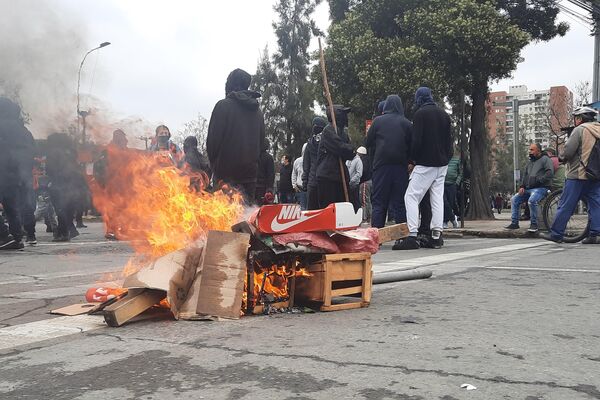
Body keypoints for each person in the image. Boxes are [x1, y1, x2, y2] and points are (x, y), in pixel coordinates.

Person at [396, 87, 453, 250]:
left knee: (411, 196)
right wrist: (446, 158)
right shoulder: (444, 115)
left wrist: (412, 160)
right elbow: (449, 141)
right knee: (437, 197)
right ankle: (436, 234)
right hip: (442, 164)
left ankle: (412, 235)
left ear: (419, 98)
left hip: (425, 163)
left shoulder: (420, 114)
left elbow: (417, 141)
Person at [540, 106, 600, 244]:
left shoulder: (580, 130)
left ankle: (556, 234)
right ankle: (595, 235)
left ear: (580, 118)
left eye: (576, 118)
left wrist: (561, 158)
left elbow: (568, 152)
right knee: (596, 204)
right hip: (596, 176)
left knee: (566, 204)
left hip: (578, 175)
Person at [207, 68, 265, 203]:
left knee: (223, 219)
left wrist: (215, 166)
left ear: (230, 84)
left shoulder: (223, 106)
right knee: (245, 218)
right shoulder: (258, 113)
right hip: (250, 176)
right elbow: (261, 144)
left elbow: (212, 143)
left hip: (225, 176)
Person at [365, 94, 412, 228]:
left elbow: (368, 142)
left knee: (379, 202)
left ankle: (376, 235)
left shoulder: (377, 122)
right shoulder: (406, 123)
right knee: (400, 202)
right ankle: (401, 235)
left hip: (381, 166)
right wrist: (410, 161)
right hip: (400, 167)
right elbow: (411, 145)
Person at [0, 97, 32, 250]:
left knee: (10, 206)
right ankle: (17, 237)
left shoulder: (2, 125)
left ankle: (3, 236)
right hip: (16, 174)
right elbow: (31, 150)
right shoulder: (22, 129)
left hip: (3, 171)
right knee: (11, 207)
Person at [46, 133, 87, 242]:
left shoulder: (53, 153)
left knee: (60, 209)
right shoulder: (71, 152)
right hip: (73, 185)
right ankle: (67, 231)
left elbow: (49, 169)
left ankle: (63, 233)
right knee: (68, 209)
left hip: (59, 184)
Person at [505, 143, 554, 233]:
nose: (529, 151)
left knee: (532, 200)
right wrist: (522, 186)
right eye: (529, 149)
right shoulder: (530, 162)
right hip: (528, 189)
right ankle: (514, 223)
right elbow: (525, 175)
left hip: (542, 188)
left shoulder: (545, 159)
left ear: (538, 151)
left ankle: (534, 224)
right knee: (514, 199)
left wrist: (539, 181)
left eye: (532, 150)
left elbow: (549, 173)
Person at [315, 110, 355, 209]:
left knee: (342, 208)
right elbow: (340, 147)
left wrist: (349, 150)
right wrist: (350, 149)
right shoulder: (328, 130)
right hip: (328, 176)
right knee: (329, 209)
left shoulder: (342, 133)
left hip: (339, 177)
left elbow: (349, 153)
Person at [303, 117, 327, 210]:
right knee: (313, 211)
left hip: (321, 181)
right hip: (316, 181)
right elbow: (306, 164)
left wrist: (305, 180)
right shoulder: (310, 144)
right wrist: (305, 180)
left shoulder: (326, 142)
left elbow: (306, 165)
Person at [443, 151, 461, 227]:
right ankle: (452, 218)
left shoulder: (457, 160)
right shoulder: (443, 158)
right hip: (442, 183)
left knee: (450, 203)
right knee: (444, 202)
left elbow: (461, 172)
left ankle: (446, 221)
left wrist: (457, 182)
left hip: (452, 184)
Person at [255, 139, 275, 205]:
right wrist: (269, 189)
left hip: (253, 186)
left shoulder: (253, 156)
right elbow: (271, 174)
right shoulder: (269, 158)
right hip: (262, 187)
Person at [357, 146, 372, 222]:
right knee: (367, 200)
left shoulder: (363, 161)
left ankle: (365, 217)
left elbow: (363, 172)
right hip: (369, 181)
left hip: (364, 182)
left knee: (364, 200)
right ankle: (368, 216)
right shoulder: (368, 160)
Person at [292, 143, 308, 210]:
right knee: (302, 208)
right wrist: (294, 185)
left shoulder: (313, 160)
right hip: (300, 189)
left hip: (310, 187)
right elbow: (294, 173)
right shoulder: (297, 161)